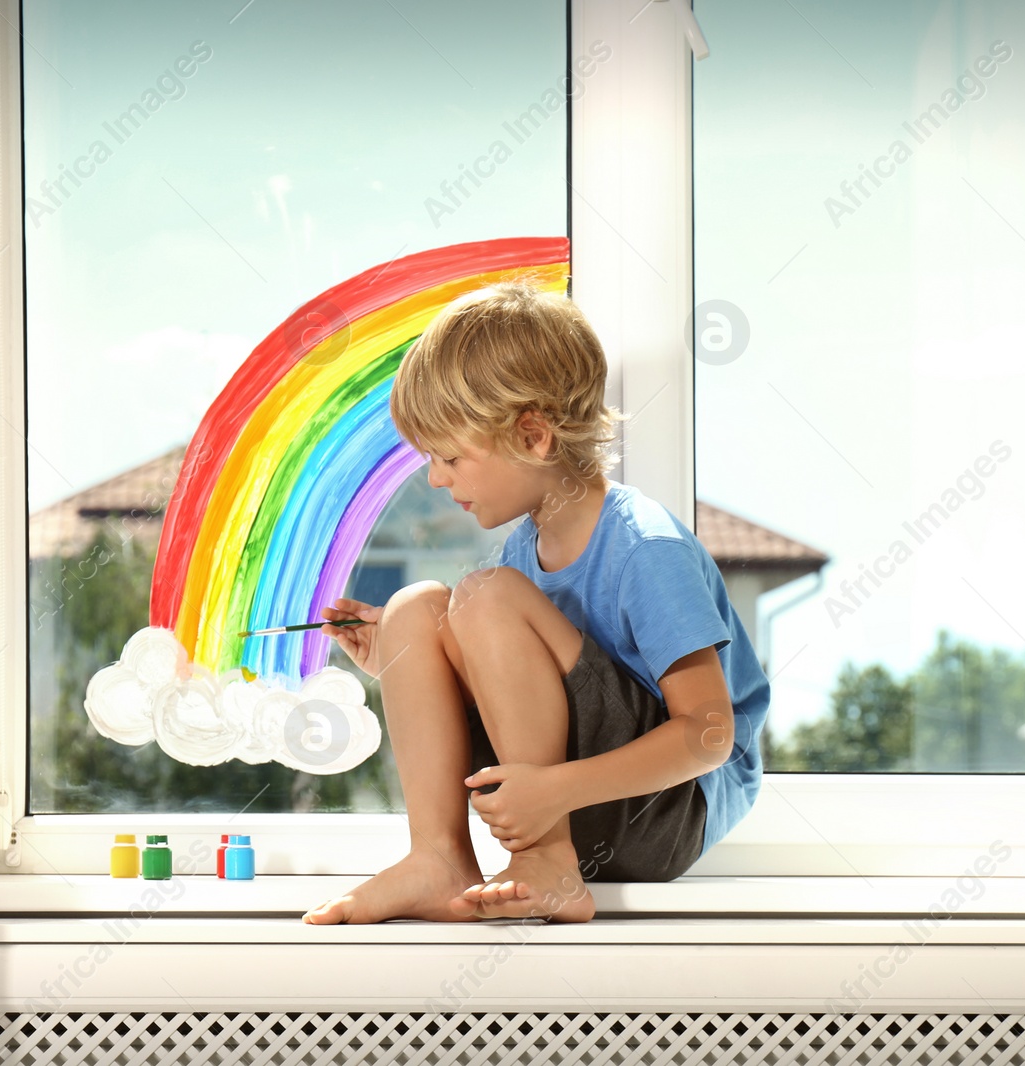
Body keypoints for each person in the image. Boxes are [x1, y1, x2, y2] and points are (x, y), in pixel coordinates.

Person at [300, 280, 770, 925]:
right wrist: (398, 658)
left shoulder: (643, 547)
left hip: (662, 809)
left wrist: (556, 791)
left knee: (481, 598)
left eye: (450, 457)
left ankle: (548, 864)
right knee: (415, 610)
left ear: (534, 436)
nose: (436, 479)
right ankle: (439, 860)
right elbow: (527, 695)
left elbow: (709, 736)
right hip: (567, 804)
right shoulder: (523, 553)